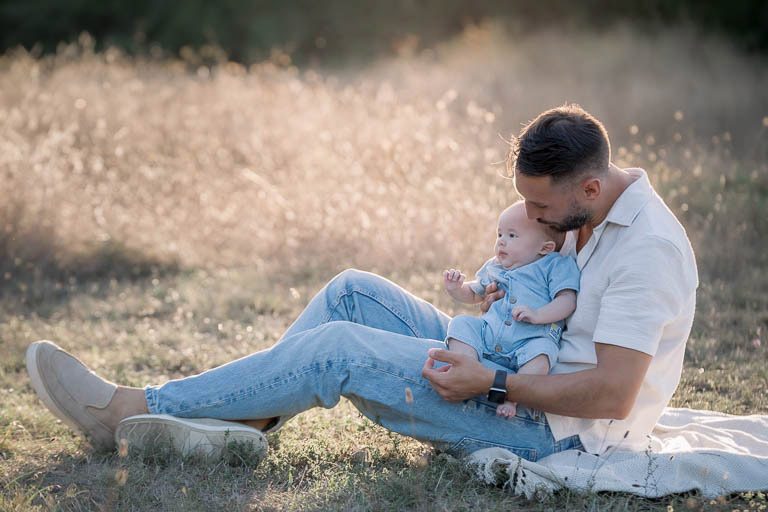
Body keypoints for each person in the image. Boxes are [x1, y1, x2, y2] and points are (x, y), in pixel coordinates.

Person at [25, 104, 698, 463]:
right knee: (353, 291)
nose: (531, 217)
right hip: (505, 355)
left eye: (541, 207)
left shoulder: (647, 251)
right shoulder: (585, 207)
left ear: (588, 188)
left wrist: (491, 382)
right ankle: (245, 421)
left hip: (548, 428)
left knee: (338, 349)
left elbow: (612, 395)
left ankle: (129, 410)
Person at [442, 201, 579, 418]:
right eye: (499, 234)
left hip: (529, 341)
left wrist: (538, 315)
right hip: (489, 335)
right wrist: (456, 289)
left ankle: (512, 399)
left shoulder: (555, 265)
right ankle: (466, 366)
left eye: (512, 235)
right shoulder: (495, 266)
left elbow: (567, 300)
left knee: (543, 354)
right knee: (461, 323)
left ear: (545, 247)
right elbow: (476, 294)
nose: (501, 242)